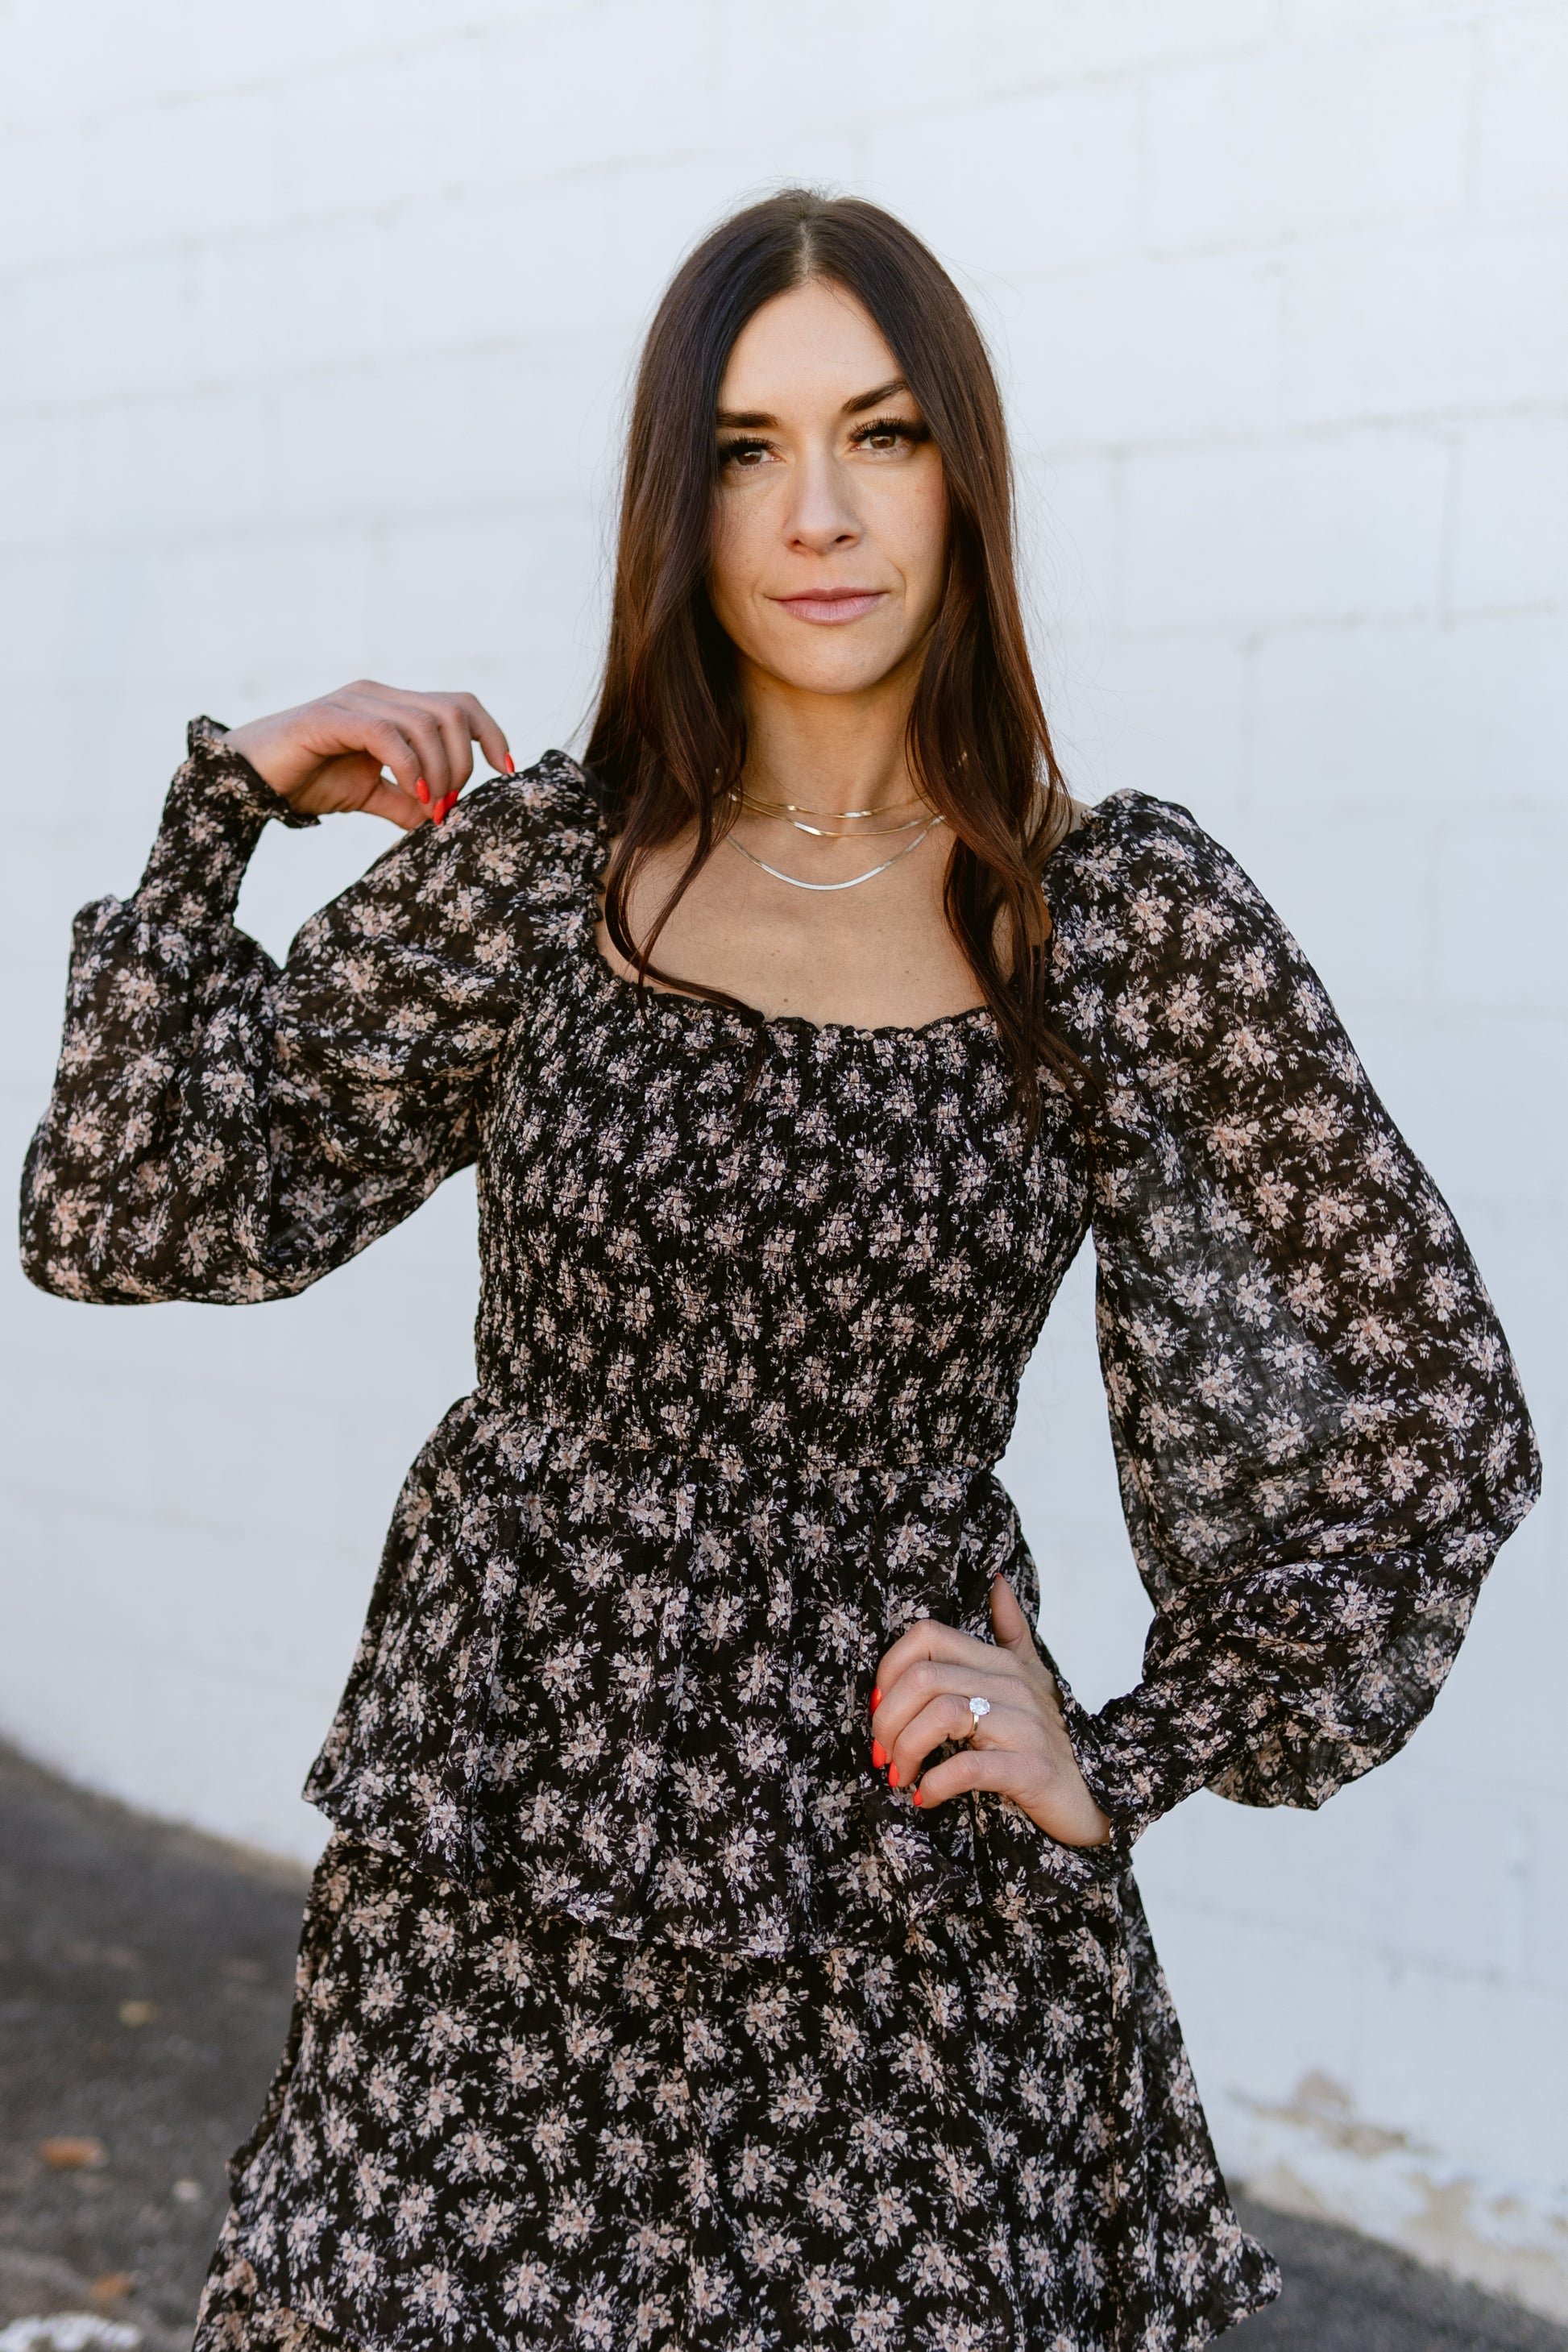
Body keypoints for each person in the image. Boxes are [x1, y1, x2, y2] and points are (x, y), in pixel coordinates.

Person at [19, 189, 1538, 2352]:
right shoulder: (546, 876)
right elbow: (127, 1216)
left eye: (881, 434)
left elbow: (1423, 1410)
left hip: (892, 1907)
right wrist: (223, 820)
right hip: (502, 1883)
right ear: (677, 496)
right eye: (744, 448)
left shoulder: (1111, 916)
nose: (815, 512)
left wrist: (1123, 1746)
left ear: (963, 476)